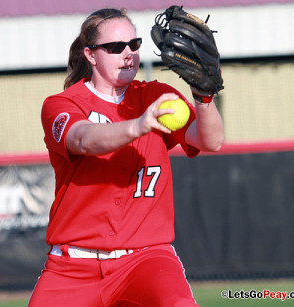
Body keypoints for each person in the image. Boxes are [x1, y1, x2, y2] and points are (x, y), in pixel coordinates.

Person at [29, 8, 224, 307]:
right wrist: (138, 125)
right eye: (115, 47)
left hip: (145, 259)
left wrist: (204, 97)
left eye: (134, 44)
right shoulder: (62, 104)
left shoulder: (156, 95)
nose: (128, 53)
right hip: (72, 267)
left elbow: (211, 141)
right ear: (91, 55)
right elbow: (82, 138)